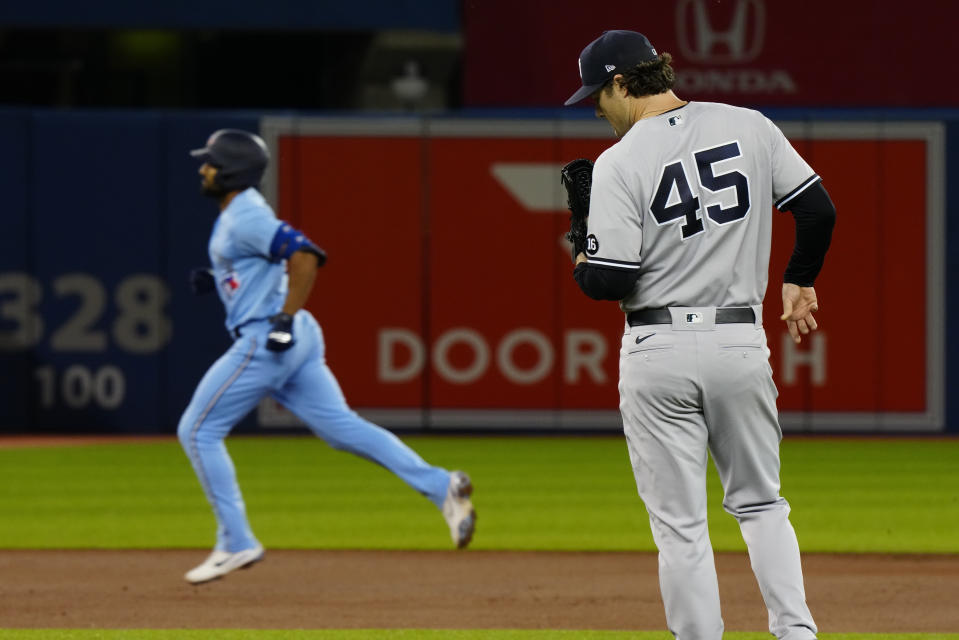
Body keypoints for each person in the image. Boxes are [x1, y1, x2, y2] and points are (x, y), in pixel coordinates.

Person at [563, 31, 835, 640]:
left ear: (620, 83)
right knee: (763, 504)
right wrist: (799, 280)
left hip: (657, 349)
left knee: (681, 527)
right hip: (738, 341)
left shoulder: (620, 161)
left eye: (596, 96)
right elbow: (819, 211)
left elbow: (609, 283)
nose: (597, 110)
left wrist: (579, 247)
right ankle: (796, 633)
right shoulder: (749, 125)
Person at [178, 129, 476, 584]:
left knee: (198, 430)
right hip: (298, 338)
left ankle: (236, 541)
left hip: (269, 339)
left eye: (212, 162)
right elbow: (262, 263)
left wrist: (281, 318)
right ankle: (442, 486)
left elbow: (306, 256)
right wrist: (220, 279)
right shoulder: (239, 215)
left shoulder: (245, 216)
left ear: (232, 171)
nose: (204, 168)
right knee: (342, 429)